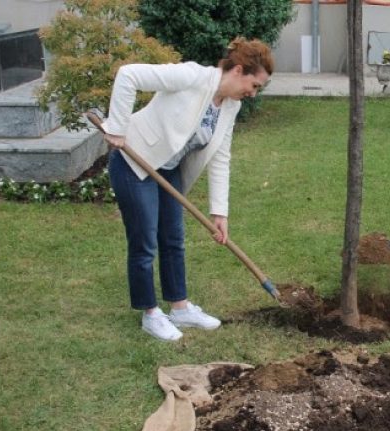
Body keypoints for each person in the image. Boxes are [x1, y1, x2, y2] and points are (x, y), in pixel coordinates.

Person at [102, 37, 272, 341]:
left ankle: (179, 307)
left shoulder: (229, 107)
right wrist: (117, 127)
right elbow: (129, 74)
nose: (253, 93)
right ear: (238, 70)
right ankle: (151, 314)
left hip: (168, 169)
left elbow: (221, 155)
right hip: (134, 160)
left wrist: (219, 211)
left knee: (173, 239)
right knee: (145, 241)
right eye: (255, 85)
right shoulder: (192, 76)